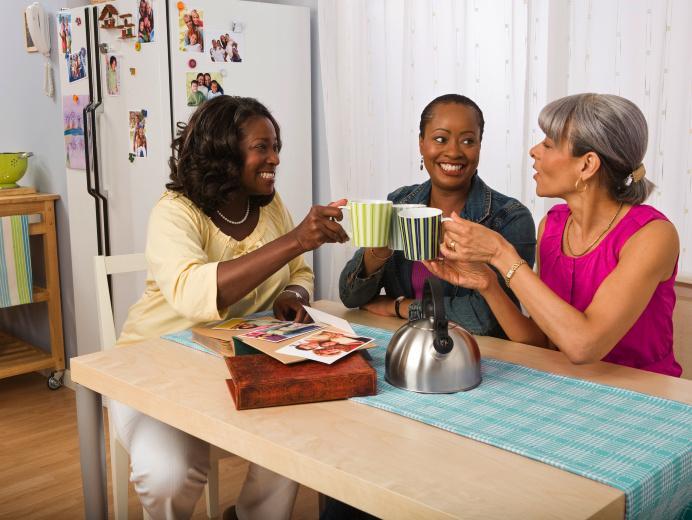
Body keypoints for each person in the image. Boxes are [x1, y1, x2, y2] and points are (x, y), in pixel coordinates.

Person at [110, 95, 349, 520]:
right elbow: (190, 293)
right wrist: (295, 239)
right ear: (224, 153)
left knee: (297, 435)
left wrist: (293, 296)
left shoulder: (270, 204)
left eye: (276, 146)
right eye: (262, 147)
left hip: (241, 365)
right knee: (169, 475)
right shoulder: (175, 212)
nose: (274, 158)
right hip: (154, 372)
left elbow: (300, 272)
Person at [426, 93, 681, 376]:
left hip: (646, 397)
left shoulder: (652, 236)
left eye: (548, 144)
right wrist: (487, 283)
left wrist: (500, 252)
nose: (534, 151)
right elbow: (542, 341)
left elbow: (584, 346)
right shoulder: (553, 226)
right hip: (567, 385)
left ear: (587, 165)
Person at [338, 94, 536, 337]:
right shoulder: (400, 202)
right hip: (405, 343)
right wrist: (378, 251)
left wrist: (398, 306)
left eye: (468, 141)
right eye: (440, 139)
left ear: (480, 147)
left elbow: (484, 318)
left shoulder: (509, 218)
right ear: (421, 143)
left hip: (479, 355)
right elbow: (350, 296)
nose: (453, 152)